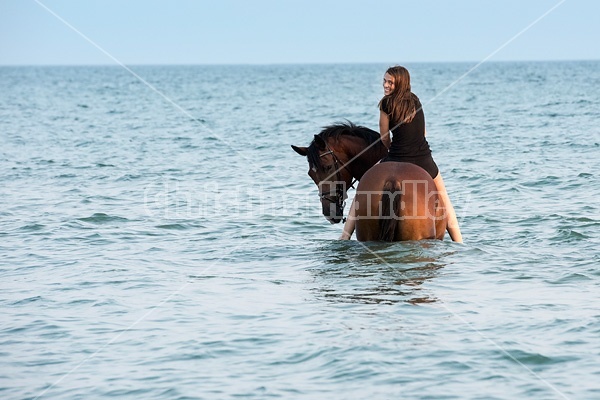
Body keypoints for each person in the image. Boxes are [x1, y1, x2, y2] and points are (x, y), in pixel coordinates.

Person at [340, 65, 463, 242]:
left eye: (390, 82)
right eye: (384, 81)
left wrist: (392, 150)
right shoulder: (416, 101)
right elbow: (424, 133)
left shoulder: (386, 103)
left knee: (362, 188)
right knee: (443, 199)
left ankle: (345, 236)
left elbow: (384, 137)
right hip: (423, 159)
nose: (386, 85)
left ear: (400, 83)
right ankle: (459, 241)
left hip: (396, 156)